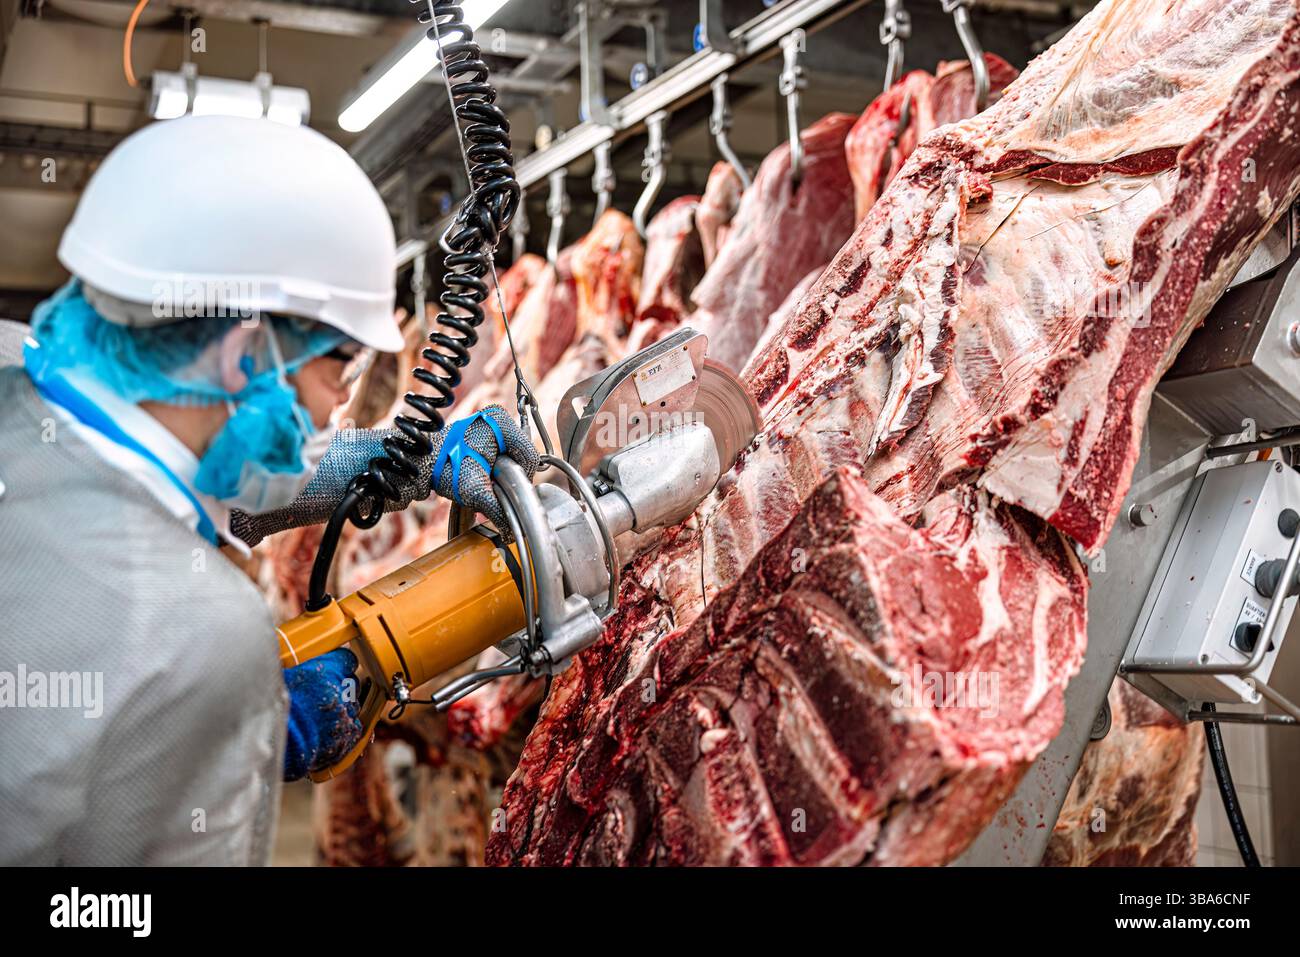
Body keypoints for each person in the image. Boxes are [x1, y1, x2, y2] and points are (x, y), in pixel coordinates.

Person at [0, 115, 535, 865]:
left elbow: (181, 459)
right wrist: (236, 738)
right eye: (336, 369)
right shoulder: (197, 632)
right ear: (241, 350)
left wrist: (398, 458)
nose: (336, 408)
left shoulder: (23, 368)